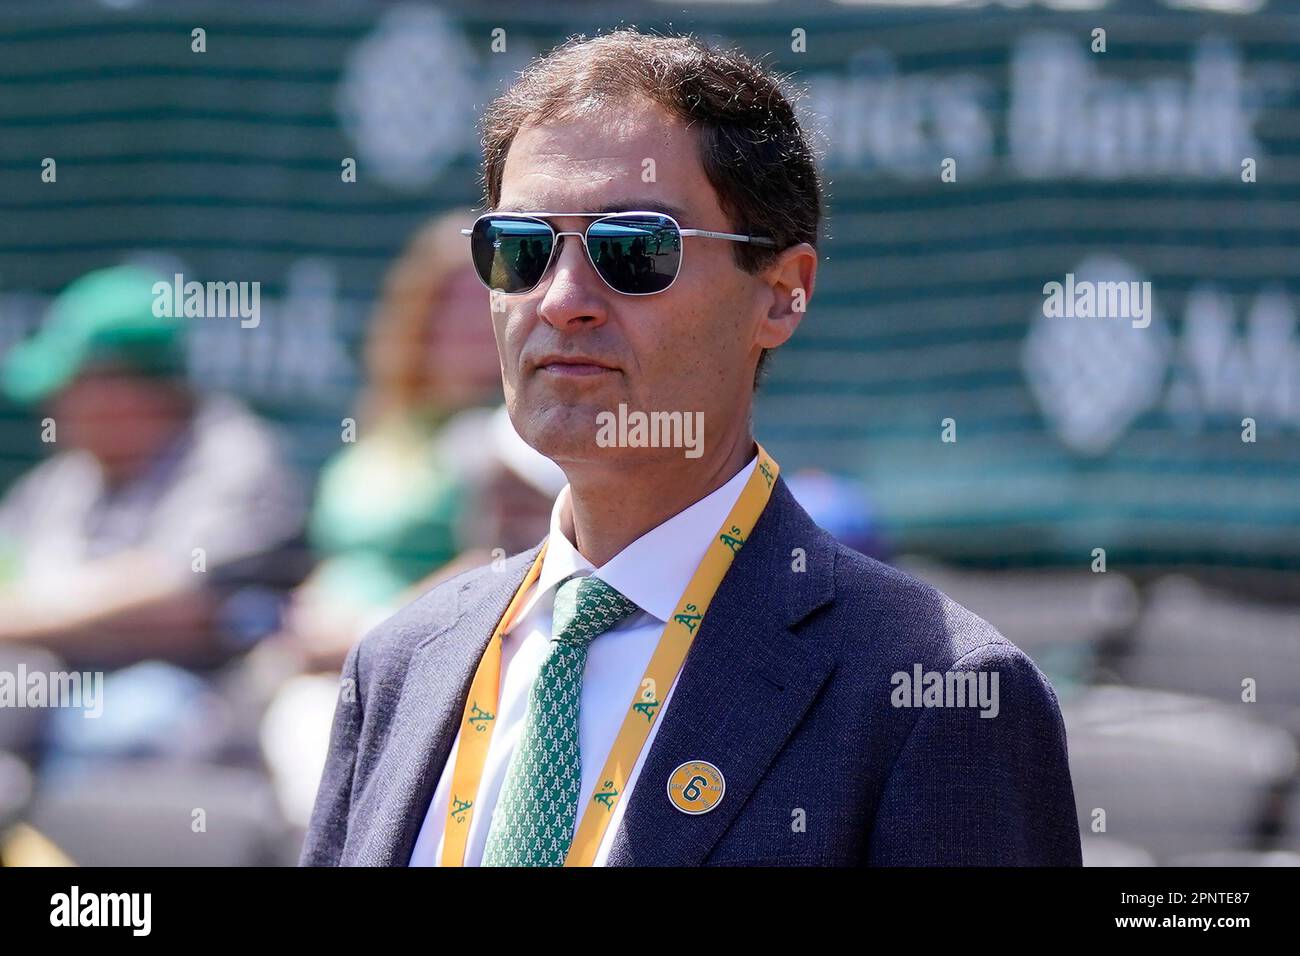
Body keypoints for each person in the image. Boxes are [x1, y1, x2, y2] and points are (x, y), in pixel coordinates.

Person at [301, 29, 1081, 867]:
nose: (562, 299)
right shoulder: (401, 665)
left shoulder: (938, 694)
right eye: (521, 249)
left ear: (782, 294)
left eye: (634, 250)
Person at [0, 265, 307, 671]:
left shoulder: (234, 457)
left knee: (134, 717)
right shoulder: (62, 478)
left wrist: (27, 615)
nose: (53, 404)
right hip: (54, 674)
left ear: (126, 390)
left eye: (72, 385)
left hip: (199, 692)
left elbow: (180, 597)